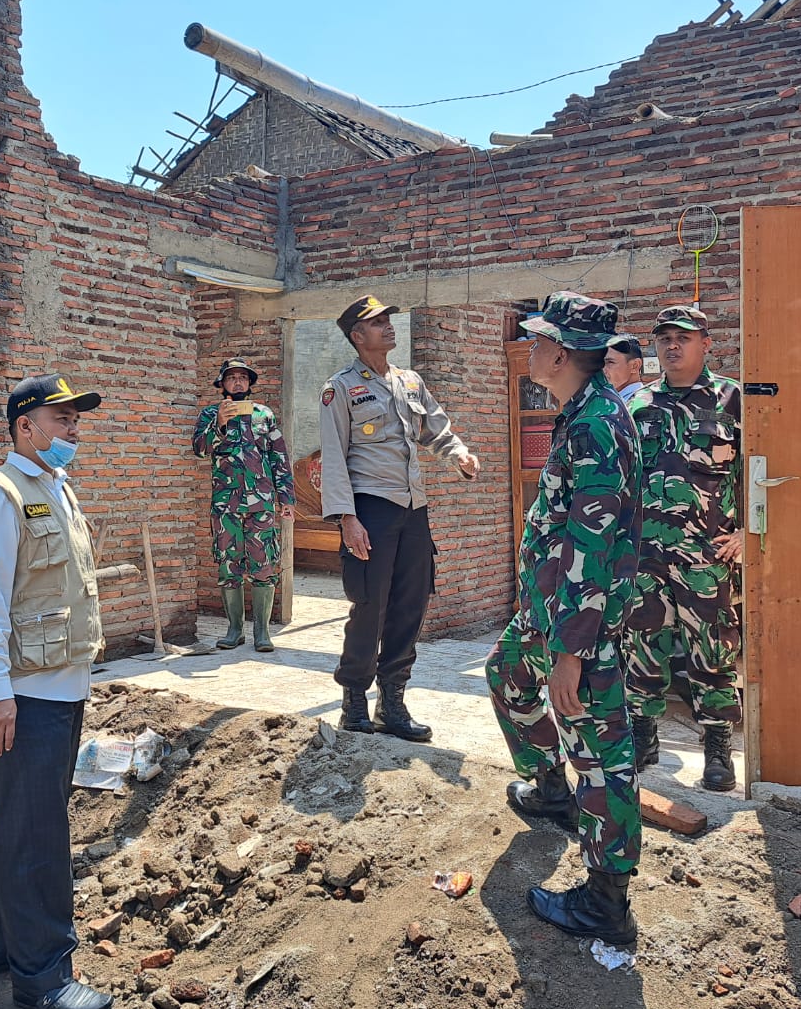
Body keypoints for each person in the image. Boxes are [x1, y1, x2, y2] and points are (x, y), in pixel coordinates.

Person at [485, 292, 642, 944]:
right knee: (506, 675)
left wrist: (574, 650)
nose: (531, 346)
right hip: (549, 612)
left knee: (601, 754)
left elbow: (593, 543)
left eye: (540, 339)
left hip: (584, 623)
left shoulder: (596, 424)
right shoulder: (577, 412)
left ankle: (607, 903)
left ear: (563, 353)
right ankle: (551, 790)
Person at [0, 373, 112, 1009]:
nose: (73, 431)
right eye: (61, 420)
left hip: (56, 690)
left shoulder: (56, 490)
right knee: (37, 834)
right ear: (25, 427)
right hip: (18, 696)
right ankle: (44, 975)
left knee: (16, 823)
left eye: (76, 421)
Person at [319, 293, 480, 742]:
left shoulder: (409, 381)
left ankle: (393, 701)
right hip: (370, 509)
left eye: (390, 319)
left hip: (413, 509)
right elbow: (334, 457)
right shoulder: (340, 388)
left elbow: (436, 429)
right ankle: (354, 699)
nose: (389, 326)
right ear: (357, 335)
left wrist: (459, 454)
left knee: (411, 605)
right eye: (377, 322)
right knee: (370, 605)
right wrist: (347, 519)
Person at [625, 304, 744, 792]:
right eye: (664, 338)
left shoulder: (733, 400)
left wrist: (752, 532)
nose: (672, 345)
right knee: (642, 644)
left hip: (708, 555)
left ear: (705, 344)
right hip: (646, 555)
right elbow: (622, 478)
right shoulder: (638, 405)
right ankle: (642, 735)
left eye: (684, 337)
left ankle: (717, 745)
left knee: (713, 649)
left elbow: (766, 468)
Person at [192, 357, 296, 652]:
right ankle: (234, 629)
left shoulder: (265, 415)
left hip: (261, 505)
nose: (237, 381)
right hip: (225, 506)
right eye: (231, 377)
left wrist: (286, 499)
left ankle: (262, 632)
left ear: (249, 384)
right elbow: (200, 450)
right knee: (228, 566)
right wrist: (219, 424)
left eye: (243, 377)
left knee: (264, 566)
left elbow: (279, 458)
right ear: (222, 384)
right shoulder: (210, 414)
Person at [603, 336, 646, 402]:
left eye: (610, 362)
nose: (602, 369)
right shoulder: (609, 400)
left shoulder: (642, 405)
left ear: (635, 366)